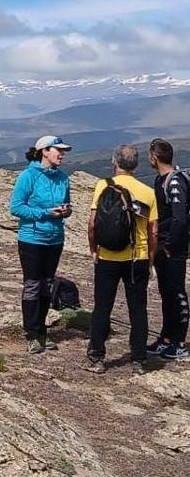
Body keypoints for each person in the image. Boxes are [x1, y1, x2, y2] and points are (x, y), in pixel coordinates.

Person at [85, 145, 159, 374]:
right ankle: (138, 359)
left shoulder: (103, 186)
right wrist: (150, 259)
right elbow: (153, 230)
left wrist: (94, 250)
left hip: (108, 256)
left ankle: (96, 357)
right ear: (136, 165)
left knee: (102, 307)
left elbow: (92, 223)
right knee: (138, 308)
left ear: (114, 162)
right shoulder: (148, 192)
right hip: (138, 256)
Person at [9, 136, 73, 355]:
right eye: (58, 150)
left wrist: (66, 211)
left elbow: (67, 204)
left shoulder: (63, 178)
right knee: (33, 285)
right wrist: (45, 213)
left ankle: (43, 332)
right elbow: (16, 207)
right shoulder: (28, 176)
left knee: (47, 284)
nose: (62, 154)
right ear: (44, 151)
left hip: (55, 238)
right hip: (31, 239)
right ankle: (32, 333)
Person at [148, 138, 190, 361]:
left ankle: (180, 342)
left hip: (173, 246)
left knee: (177, 291)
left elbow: (180, 218)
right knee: (166, 292)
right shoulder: (160, 180)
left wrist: (172, 245)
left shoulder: (175, 182)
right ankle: (166, 337)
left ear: (154, 157)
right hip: (163, 244)